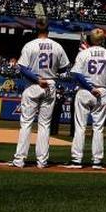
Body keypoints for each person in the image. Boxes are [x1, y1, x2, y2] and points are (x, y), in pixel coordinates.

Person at [11, 17, 70, 169]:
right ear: (48, 30)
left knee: (26, 123)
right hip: (50, 84)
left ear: (36, 30)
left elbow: (22, 68)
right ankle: (42, 161)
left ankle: (19, 160)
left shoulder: (30, 45)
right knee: (44, 125)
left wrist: (37, 79)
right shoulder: (57, 46)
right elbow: (65, 68)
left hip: (33, 84)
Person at [70, 28, 106, 168]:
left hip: (85, 90)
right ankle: (97, 160)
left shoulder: (83, 53)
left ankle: (76, 159)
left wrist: (90, 87)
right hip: (102, 90)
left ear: (90, 40)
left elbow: (76, 74)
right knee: (98, 127)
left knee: (80, 126)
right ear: (103, 39)